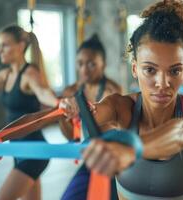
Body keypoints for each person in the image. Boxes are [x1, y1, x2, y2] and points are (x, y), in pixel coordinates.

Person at [59, 0, 183, 199]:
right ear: (135, 69)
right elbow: (91, 119)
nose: (162, 83)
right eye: (150, 70)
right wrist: (74, 112)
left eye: (174, 70)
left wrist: (131, 149)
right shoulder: (120, 107)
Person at [0, 25, 58, 200]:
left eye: (4, 45)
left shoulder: (29, 73)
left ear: (21, 46)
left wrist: (61, 104)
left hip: (34, 152)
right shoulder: (6, 75)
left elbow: (43, 92)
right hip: (18, 151)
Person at [59, 34, 121, 200]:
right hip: (89, 158)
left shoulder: (112, 91)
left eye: (92, 64)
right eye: (80, 64)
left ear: (103, 64)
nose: (85, 69)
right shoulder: (70, 92)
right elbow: (70, 136)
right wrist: (64, 117)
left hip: (112, 157)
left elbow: (116, 131)